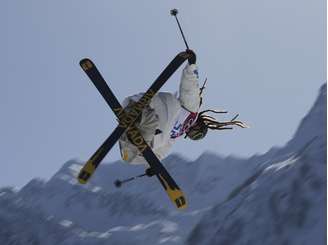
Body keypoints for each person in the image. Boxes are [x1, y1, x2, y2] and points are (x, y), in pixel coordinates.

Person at [118, 50, 247, 165]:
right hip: (158, 107)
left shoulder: (174, 137)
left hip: (133, 107)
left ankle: (129, 137)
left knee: (130, 158)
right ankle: (140, 117)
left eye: (194, 138)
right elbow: (189, 89)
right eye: (197, 133)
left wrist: (154, 165)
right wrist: (192, 67)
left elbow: (160, 153)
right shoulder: (192, 112)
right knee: (159, 136)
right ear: (199, 125)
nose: (192, 135)